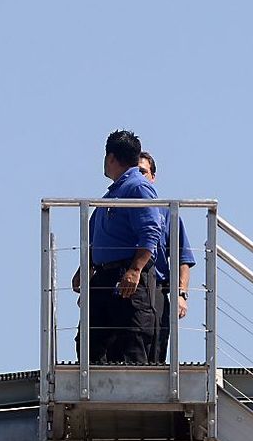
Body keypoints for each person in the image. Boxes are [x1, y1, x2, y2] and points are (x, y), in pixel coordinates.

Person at [72, 130, 161, 364]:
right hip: (105, 276)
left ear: (111, 158)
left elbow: (151, 231)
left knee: (133, 342)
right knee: (90, 342)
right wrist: (86, 266)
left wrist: (135, 270)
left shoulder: (137, 187)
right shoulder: (113, 193)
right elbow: (100, 237)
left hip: (126, 277)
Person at [138, 151, 196, 364]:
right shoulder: (114, 208)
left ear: (153, 177)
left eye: (143, 172)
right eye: (134, 172)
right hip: (124, 290)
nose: (139, 177)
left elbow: (183, 257)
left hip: (158, 290)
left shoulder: (167, 213)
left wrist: (182, 295)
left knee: (157, 351)